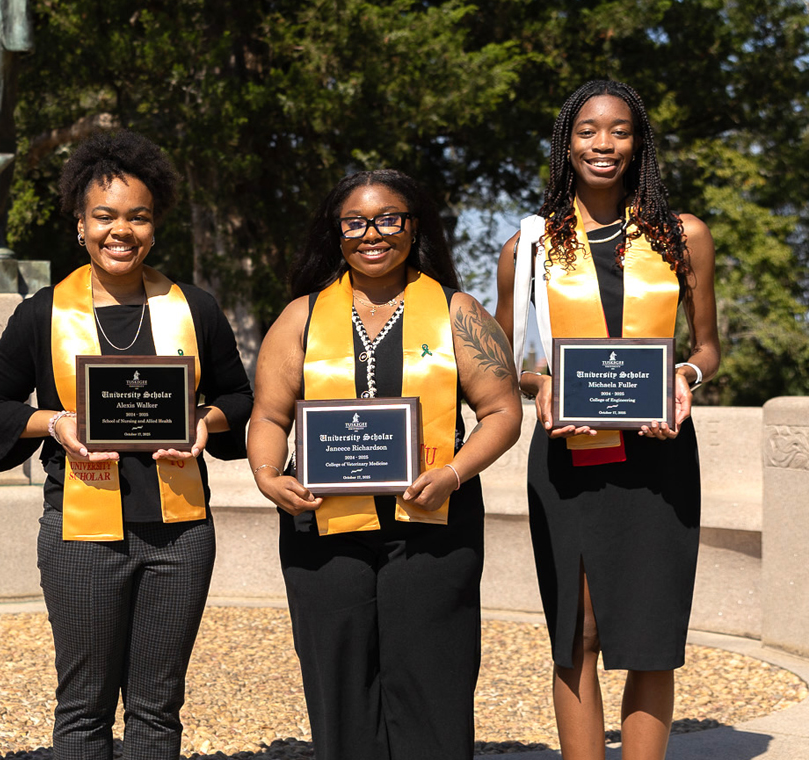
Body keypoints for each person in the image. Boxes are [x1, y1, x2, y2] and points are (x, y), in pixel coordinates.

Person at [0, 130, 253, 760]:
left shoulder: (195, 310)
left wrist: (204, 424)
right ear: (79, 224)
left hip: (178, 533)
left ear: (154, 227)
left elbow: (241, 398)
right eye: (104, 216)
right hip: (79, 529)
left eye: (137, 217)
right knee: (84, 707)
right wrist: (57, 425)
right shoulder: (42, 314)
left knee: (158, 706)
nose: (119, 231)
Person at [246, 169, 522, 759]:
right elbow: (269, 418)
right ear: (337, 233)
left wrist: (452, 473)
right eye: (355, 222)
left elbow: (501, 411)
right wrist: (270, 478)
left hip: (432, 523)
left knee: (432, 677)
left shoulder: (457, 312)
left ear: (413, 226)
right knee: (340, 680)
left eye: (388, 218)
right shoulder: (302, 316)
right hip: (323, 527)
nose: (372, 233)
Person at [493, 79, 719, 760]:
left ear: (639, 142)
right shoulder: (527, 248)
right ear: (566, 142)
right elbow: (502, 362)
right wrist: (542, 385)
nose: (603, 144)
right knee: (578, 630)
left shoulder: (684, 236)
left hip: (660, 448)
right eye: (588, 130)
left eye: (619, 130)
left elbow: (708, 346)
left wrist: (685, 376)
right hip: (569, 451)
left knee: (652, 634)